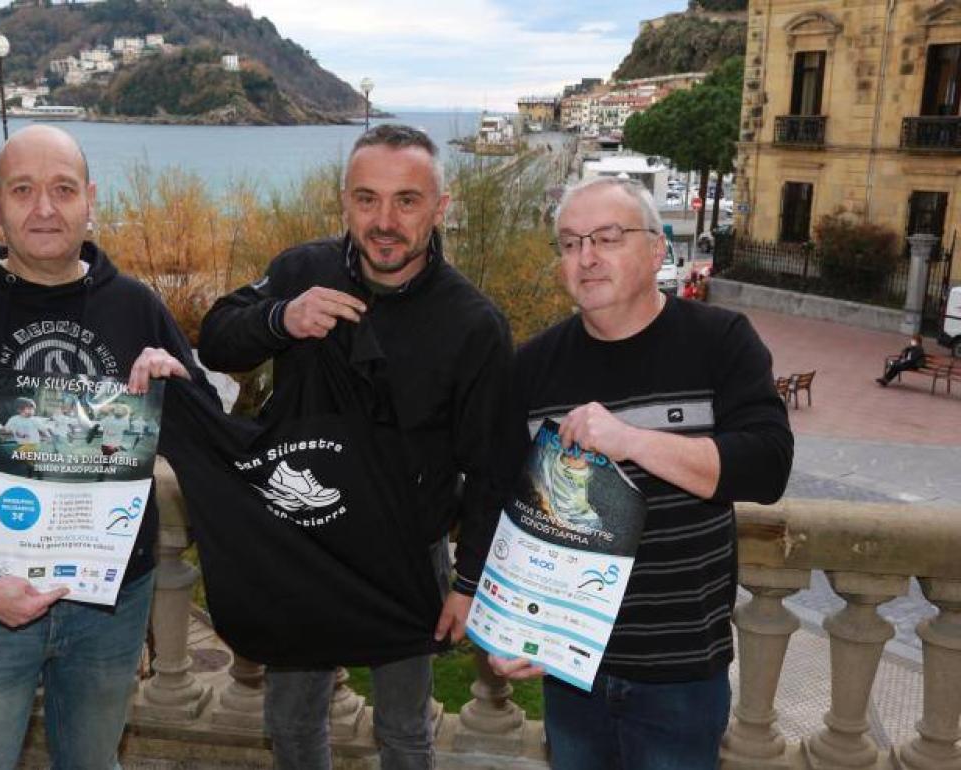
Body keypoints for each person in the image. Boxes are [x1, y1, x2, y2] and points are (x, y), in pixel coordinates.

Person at [197, 124, 519, 770]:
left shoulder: (473, 323)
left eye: (406, 201)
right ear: (344, 201)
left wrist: (469, 581)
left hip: (408, 553)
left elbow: (491, 469)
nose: (385, 221)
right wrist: (280, 318)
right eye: (367, 199)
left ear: (439, 208)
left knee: (404, 729)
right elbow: (215, 340)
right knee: (290, 719)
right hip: (304, 543)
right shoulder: (300, 270)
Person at [0, 125, 206, 770]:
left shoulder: (134, 304)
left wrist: (178, 381)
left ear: (90, 199)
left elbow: (206, 427)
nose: (43, 208)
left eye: (62, 189)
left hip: (109, 605)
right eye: (23, 189)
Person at [494, 176, 793, 770]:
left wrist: (631, 440)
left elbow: (766, 466)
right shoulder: (532, 366)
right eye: (571, 242)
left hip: (681, 675)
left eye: (607, 237)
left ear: (657, 251)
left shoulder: (719, 340)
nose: (587, 257)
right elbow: (515, 510)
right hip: (573, 671)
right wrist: (513, 628)